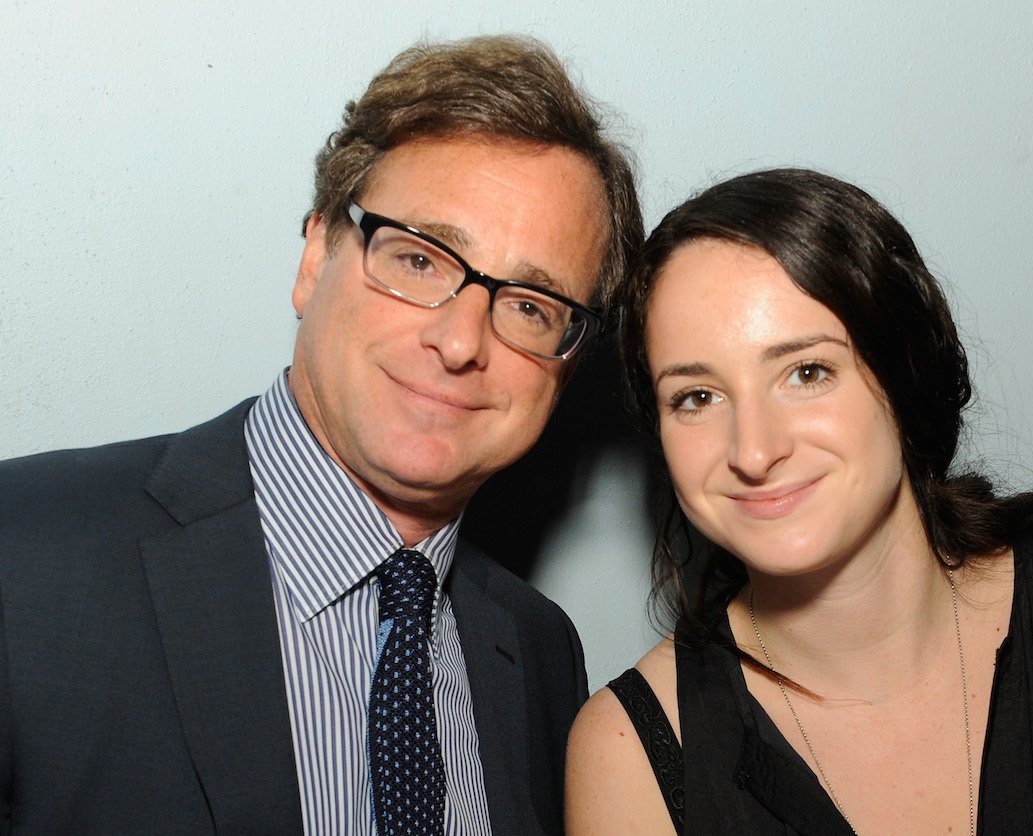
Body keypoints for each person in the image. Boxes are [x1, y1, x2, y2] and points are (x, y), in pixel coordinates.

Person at [0, 35, 642, 835]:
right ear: (315, 258)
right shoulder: (24, 557)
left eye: (528, 307)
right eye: (420, 260)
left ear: (566, 364)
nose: (460, 341)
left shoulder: (541, 652)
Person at [565, 168, 1033, 833]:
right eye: (696, 397)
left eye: (807, 373)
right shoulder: (633, 753)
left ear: (903, 376)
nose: (753, 451)